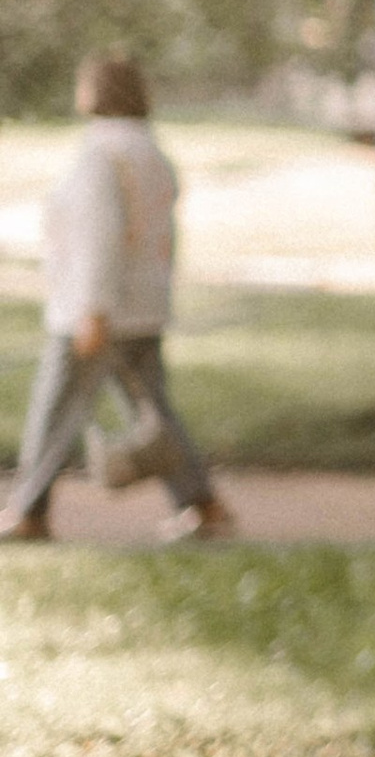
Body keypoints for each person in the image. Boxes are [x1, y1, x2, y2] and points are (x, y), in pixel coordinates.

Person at [0, 53, 233, 545]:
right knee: (155, 414)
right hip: (144, 307)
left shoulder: (99, 158)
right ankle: (202, 502)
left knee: (56, 410)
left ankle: (28, 510)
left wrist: (93, 308)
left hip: (94, 311)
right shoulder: (153, 156)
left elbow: (98, 239)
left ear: (95, 93)